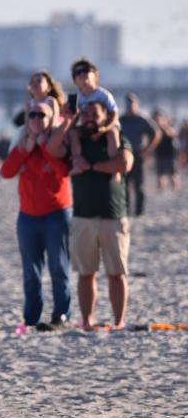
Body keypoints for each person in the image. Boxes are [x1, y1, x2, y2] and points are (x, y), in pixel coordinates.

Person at [0, 101, 73, 331]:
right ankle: (31, 317)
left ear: (50, 118)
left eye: (41, 115)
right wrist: (24, 149)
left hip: (56, 215)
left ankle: (61, 314)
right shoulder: (22, 143)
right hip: (28, 217)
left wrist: (44, 147)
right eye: (31, 115)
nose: (35, 119)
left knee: (58, 267)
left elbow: (64, 171)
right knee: (31, 271)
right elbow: (6, 172)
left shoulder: (56, 142)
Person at [69, 102, 135, 330]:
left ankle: (119, 321)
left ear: (105, 117)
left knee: (117, 273)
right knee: (86, 273)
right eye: (85, 114)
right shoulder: (76, 142)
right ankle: (87, 320)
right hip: (82, 216)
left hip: (114, 214)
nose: (89, 118)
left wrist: (92, 166)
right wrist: (70, 124)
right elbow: (53, 148)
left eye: (94, 114)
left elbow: (124, 163)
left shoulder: (118, 139)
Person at [68, 58, 120, 172]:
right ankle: (77, 163)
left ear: (96, 75)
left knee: (113, 133)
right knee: (72, 134)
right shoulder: (75, 98)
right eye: (77, 73)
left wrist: (105, 128)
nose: (82, 74)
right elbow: (70, 120)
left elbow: (114, 114)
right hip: (86, 128)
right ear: (75, 80)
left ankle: (115, 168)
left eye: (85, 70)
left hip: (105, 127)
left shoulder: (103, 94)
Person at [119, 94, 160, 216]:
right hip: (124, 156)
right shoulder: (121, 120)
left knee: (139, 186)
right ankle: (125, 211)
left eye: (132, 104)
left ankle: (139, 212)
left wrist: (148, 149)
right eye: (128, 104)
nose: (130, 107)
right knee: (124, 185)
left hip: (138, 156)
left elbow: (156, 133)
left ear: (136, 105)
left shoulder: (142, 119)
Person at [152, 109, 178, 192]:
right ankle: (160, 190)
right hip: (159, 153)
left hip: (170, 153)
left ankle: (176, 189)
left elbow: (172, 135)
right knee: (160, 174)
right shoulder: (154, 128)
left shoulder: (168, 126)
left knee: (173, 173)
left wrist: (164, 126)